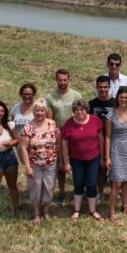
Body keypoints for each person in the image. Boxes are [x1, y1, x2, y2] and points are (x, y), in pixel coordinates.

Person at [60, 99, 105, 223]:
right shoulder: (69, 123)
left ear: (87, 110)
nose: (79, 112)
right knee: (78, 183)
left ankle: (93, 210)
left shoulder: (95, 120)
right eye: (77, 110)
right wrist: (66, 162)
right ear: (74, 111)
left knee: (91, 184)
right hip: (76, 159)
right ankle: (77, 210)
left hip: (93, 158)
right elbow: (64, 143)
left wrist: (102, 157)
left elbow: (101, 138)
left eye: (82, 109)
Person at [45, 68, 83, 207]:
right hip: (60, 134)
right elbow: (50, 119)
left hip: (75, 132)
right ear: (56, 80)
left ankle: (78, 190)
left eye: (65, 80)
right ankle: (61, 192)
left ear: (68, 80)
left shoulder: (76, 95)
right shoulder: (50, 97)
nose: (62, 82)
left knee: (78, 164)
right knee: (61, 165)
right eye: (60, 80)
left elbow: (82, 114)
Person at [19, 99, 59, 226]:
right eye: (37, 110)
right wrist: (28, 167)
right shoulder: (28, 127)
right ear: (33, 111)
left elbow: (57, 142)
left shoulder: (52, 124)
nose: (39, 113)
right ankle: (36, 213)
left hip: (51, 163)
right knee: (35, 189)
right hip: (34, 164)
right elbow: (23, 148)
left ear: (46, 111)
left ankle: (46, 210)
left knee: (49, 188)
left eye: (42, 110)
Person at [104, 87, 127, 221]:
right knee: (117, 182)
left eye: (126, 97)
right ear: (117, 98)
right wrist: (107, 157)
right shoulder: (110, 114)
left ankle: (124, 205)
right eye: (121, 97)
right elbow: (107, 137)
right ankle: (111, 211)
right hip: (116, 149)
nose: (124, 100)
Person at [89, 75, 117, 199]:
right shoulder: (91, 104)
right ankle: (100, 192)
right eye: (100, 87)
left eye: (105, 87)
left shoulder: (116, 103)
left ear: (109, 87)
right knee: (100, 168)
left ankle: (114, 192)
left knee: (114, 168)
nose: (103, 89)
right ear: (96, 87)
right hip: (97, 141)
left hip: (113, 139)